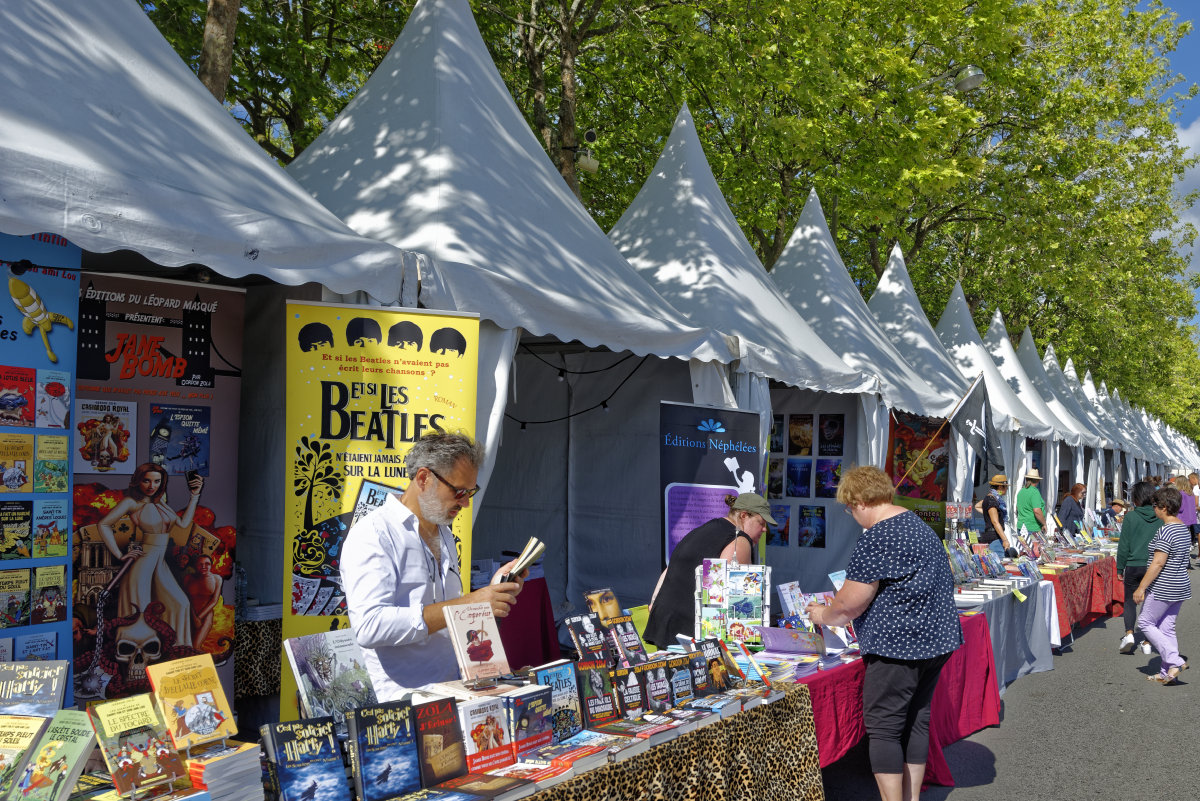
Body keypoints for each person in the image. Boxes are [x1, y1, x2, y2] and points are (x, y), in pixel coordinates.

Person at [806, 466, 962, 801]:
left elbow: (848, 605)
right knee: (916, 721)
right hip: (936, 640)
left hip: (899, 647)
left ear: (860, 502)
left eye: (850, 509)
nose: (852, 515)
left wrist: (822, 614)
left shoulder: (878, 536)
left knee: (885, 729)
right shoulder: (918, 524)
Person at [341, 432, 526, 700]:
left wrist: (492, 591)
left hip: (452, 689)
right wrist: (468, 603)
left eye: (471, 492)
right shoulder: (374, 534)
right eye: (459, 492)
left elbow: (443, 610)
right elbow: (370, 627)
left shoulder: (443, 532)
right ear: (423, 478)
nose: (466, 503)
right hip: (403, 701)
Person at [643, 493, 776, 648]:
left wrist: (654, 602)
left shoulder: (705, 529)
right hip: (692, 632)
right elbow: (733, 598)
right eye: (761, 522)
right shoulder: (739, 540)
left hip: (663, 624)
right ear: (744, 516)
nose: (764, 529)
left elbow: (671, 567)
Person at [98, 463, 203, 647]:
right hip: (144, 561)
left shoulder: (160, 501)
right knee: (141, 610)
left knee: (181, 604)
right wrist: (120, 554)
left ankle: (176, 648)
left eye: (157, 481)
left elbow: (183, 524)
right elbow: (103, 524)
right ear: (138, 481)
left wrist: (194, 496)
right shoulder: (131, 502)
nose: (151, 486)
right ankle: (137, 652)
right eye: (146, 480)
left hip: (160, 563)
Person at [1133, 487, 1192, 684]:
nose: (1154, 509)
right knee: (1167, 628)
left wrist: (1141, 587)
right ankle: (1168, 673)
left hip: (1164, 586)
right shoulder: (1182, 527)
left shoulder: (1166, 530)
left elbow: (1158, 563)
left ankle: (1175, 661)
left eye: (1155, 506)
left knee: (1145, 622)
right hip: (1179, 585)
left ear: (1164, 507)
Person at [1116, 481, 1162, 654]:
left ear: (1137, 498)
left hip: (1134, 564)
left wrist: (1120, 567)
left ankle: (1129, 634)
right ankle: (1148, 641)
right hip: (1154, 565)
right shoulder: (1160, 516)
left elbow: (1124, 545)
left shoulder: (1131, 517)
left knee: (1129, 601)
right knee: (1151, 602)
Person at [975, 474, 1012, 558]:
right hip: (994, 537)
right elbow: (995, 522)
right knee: (999, 560)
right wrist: (1005, 540)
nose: (1007, 489)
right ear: (1000, 487)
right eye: (1006, 487)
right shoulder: (992, 500)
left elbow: (977, 506)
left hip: (992, 536)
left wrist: (988, 514)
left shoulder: (992, 498)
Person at [1172, 476, 1196, 570]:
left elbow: (1180, 508)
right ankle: (1187, 563)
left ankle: (1182, 563)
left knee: (1179, 544)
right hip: (1189, 520)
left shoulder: (1181, 494)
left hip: (1181, 519)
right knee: (1185, 543)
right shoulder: (1190, 493)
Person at [1015, 468, 1047, 535]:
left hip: (1021, 526)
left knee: (1022, 542)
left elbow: (1017, 508)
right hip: (1032, 528)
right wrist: (1044, 523)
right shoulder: (1034, 492)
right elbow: (1037, 511)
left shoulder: (1021, 491)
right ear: (1037, 480)